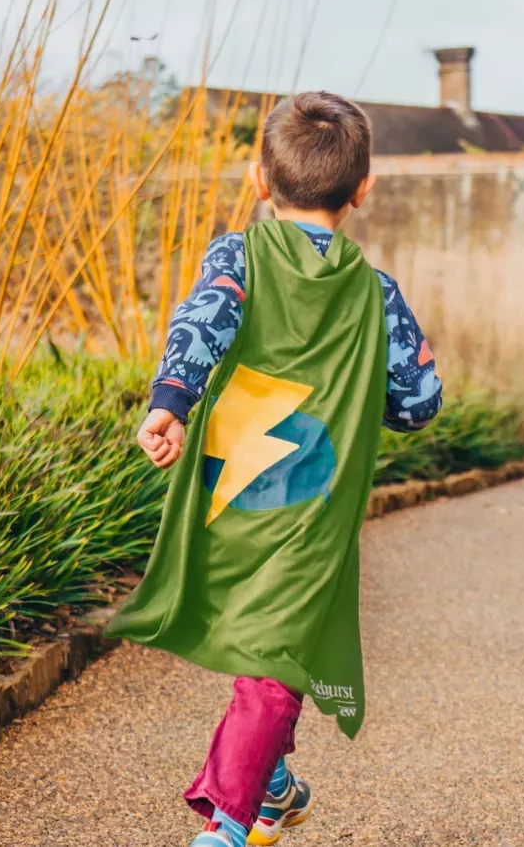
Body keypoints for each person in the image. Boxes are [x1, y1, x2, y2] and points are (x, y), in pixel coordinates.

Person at [106, 90, 443, 847]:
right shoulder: (375, 294)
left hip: (232, 487)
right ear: (364, 189)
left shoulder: (238, 257)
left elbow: (205, 319)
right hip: (314, 509)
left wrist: (171, 401)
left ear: (259, 181)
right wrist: (365, 385)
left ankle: (249, 804)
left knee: (270, 653)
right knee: (273, 651)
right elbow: (419, 402)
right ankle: (252, 805)